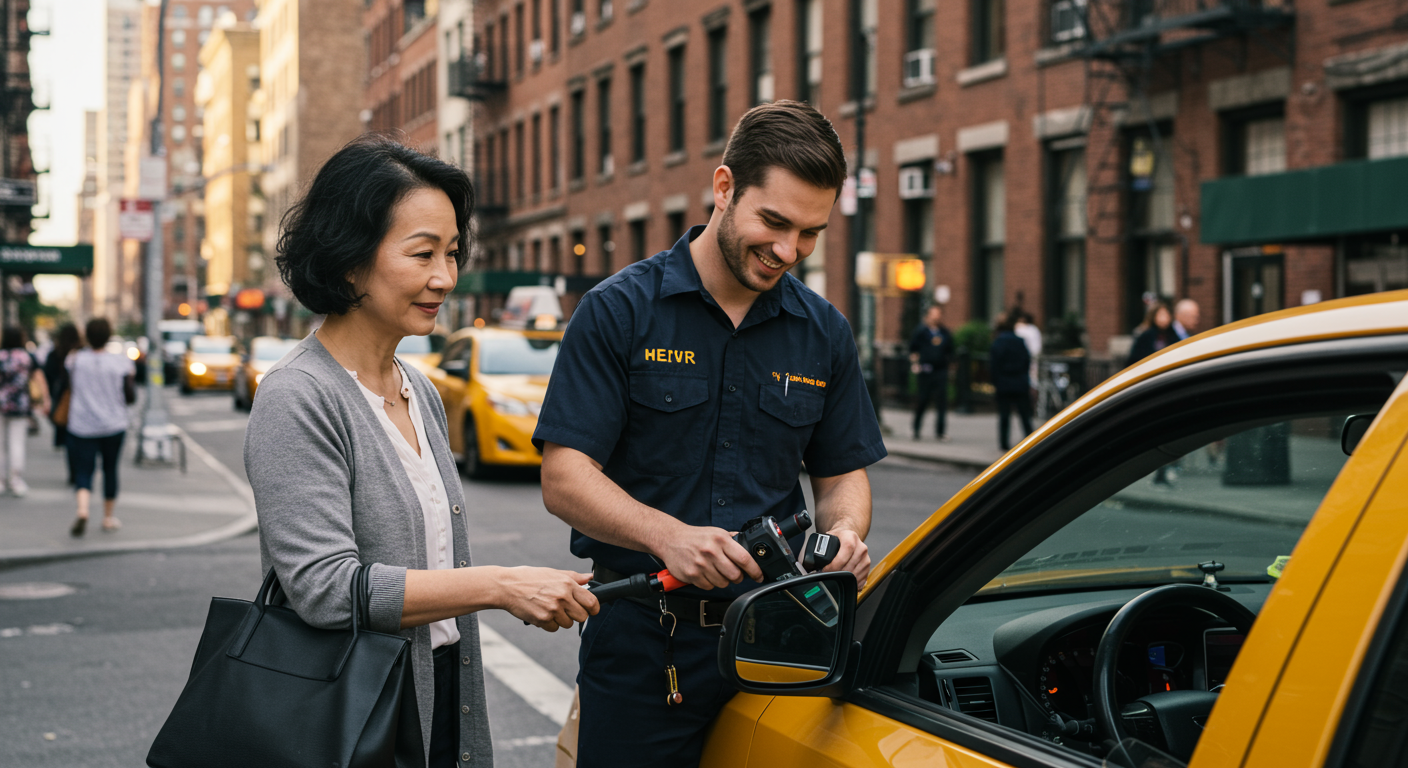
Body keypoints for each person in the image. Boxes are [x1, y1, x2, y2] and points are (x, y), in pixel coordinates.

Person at [534, 101, 886, 768]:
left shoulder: (825, 332)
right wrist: (668, 537)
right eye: (774, 223)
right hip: (646, 646)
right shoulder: (618, 311)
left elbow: (841, 473)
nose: (788, 251)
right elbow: (565, 477)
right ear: (724, 188)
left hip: (784, 636)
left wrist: (844, 534)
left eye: (810, 233)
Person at [245, 134, 597, 768]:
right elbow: (325, 590)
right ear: (350, 260)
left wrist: (529, 588)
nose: (445, 277)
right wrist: (499, 585)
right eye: (423, 253)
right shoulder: (297, 397)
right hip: (354, 710)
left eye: (453, 253)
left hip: (439, 691)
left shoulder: (421, 391)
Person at [65, 318, 133, 535]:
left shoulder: (75, 360)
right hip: (113, 423)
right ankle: (107, 517)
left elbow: (68, 384)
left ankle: (83, 510)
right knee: (110, 469)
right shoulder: (121, 362)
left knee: (84, 470)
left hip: (82, 423)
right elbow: (130, 395)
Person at [0, 326, 48, 496]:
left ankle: (1, 481)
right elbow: (38, 378)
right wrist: (44, 400)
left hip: (1, 404)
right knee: (16, 442)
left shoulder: (1, 356)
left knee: (1, 444)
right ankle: (16, 480)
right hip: (20, 405)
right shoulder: (27, 357)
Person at [908, 304, 954, 440]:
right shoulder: (921, 332)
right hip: (925, 370)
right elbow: (913, 350)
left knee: (941, 402)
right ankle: (916, 429)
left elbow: (950, 352)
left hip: (941, 371)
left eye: (938, 314)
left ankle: (940, 432)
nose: (936, 316)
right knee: (922, 400)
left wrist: (951, 370)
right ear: (928, 315)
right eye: (934, 313)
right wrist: (915, 364)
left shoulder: (945, 333)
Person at [990, 313, 1034, 451]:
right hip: (1020, 382)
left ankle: (1004, 444)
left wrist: (996, 382)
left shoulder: (997, 343)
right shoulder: (1020, 341)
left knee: (1004, 416)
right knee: (1025, 416)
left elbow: (993, 366)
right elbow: (1027, 361)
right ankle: (1031, 442)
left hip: (1003, 383)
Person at [44, 323, 81, 482]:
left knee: (69, 437)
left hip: (63, 399)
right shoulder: (81, 353)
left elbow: (48, 375)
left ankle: (74, 472)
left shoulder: (55, 354)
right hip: (81, 399)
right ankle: (80, 471)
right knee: (80, 436)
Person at [1126, 300, 1179, 365]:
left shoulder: (1173, 334)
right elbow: (1135, 359)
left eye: (1166, 315)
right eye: (1161, 315)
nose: (1164, 319)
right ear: (1153, 316)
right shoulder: (1145, 336)